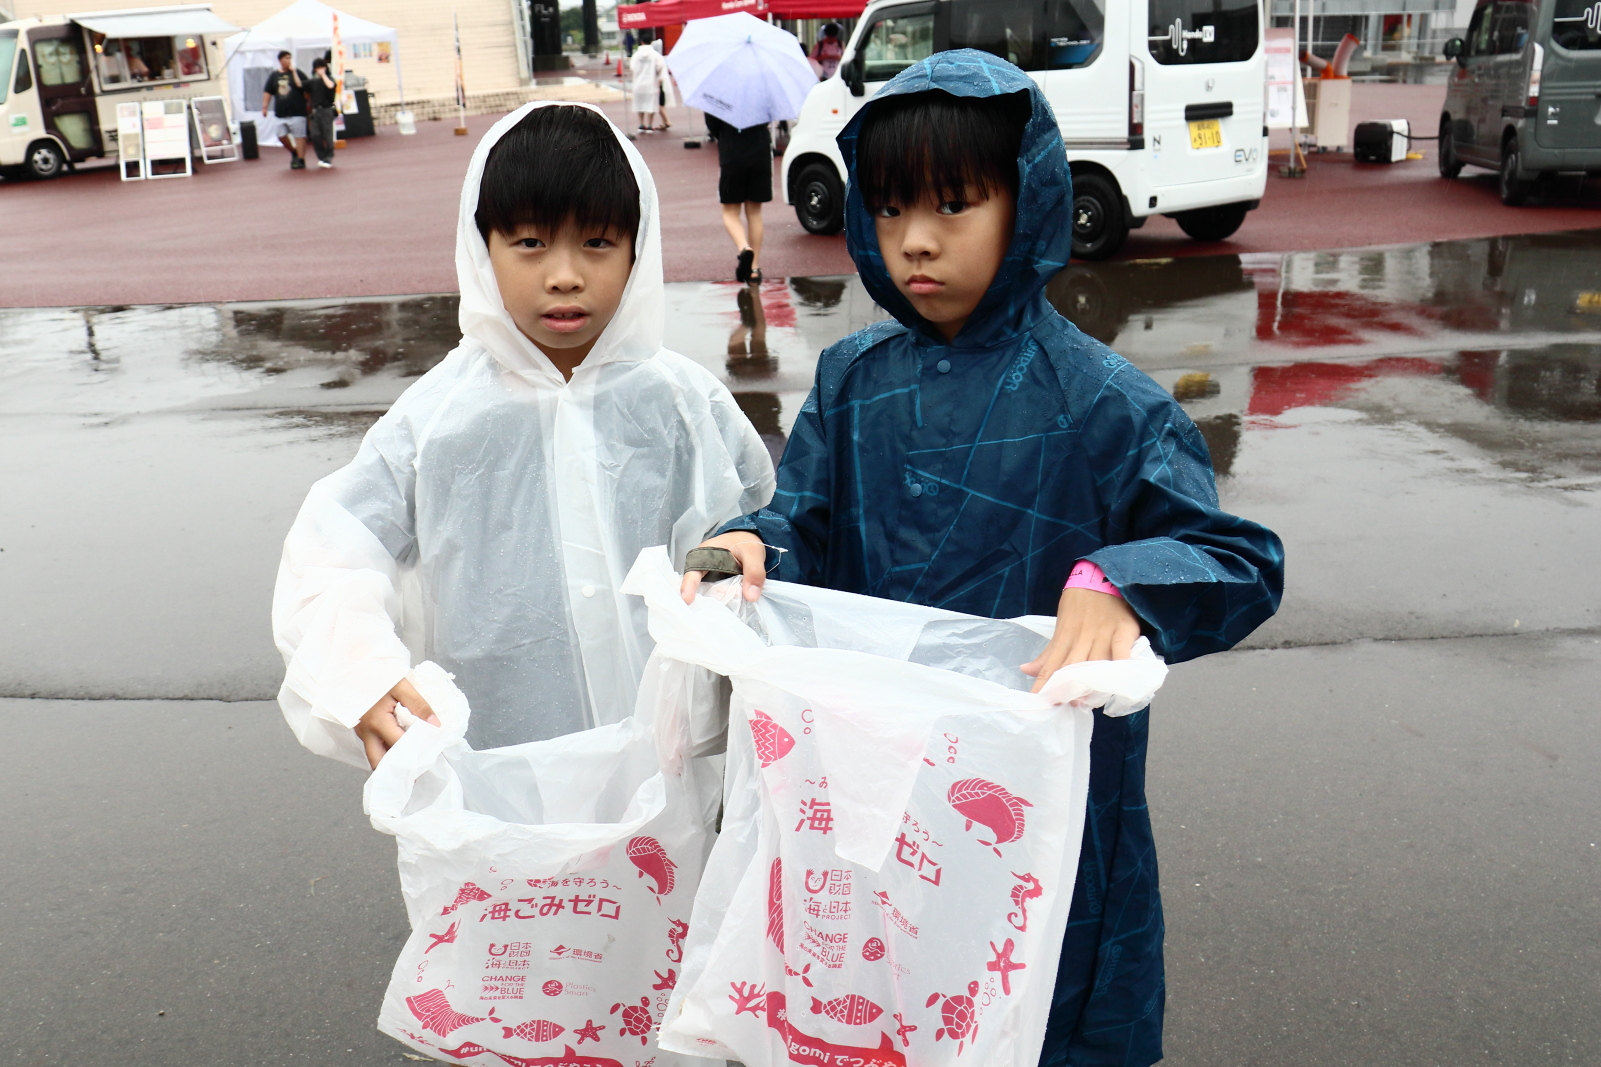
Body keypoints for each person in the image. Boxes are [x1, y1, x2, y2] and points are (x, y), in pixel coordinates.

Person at [678, 52, 1284, 1067]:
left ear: (1028, 200)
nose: (915, 240)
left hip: (1040, 809)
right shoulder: (851, 380)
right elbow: (805, 518)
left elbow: (1234, 557)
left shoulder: (1099, 400)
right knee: (874, 1011)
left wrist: (1123, 581)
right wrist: (752, 540)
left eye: (954, 205)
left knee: (1036, 1007)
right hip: (872, 793)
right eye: (888, 208)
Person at [272, 102, 774, 769]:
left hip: (670, 761)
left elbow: (752, 529)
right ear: (484, 249)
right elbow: (331, 561)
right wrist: (361, 676)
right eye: (530, 242)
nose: (563, 274)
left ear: (636, 247)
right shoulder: (437, 420)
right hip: (498, 765)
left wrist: (733, 562)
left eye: (596, 242)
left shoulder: (681, 404)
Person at [703, 113, 770, 284]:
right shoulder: (762, 88)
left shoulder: (720, 91)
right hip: (760, 149)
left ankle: (744, 248)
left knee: (730, 211)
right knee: (755, 212)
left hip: (732, 149)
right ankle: (754, 269)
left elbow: (712, 124)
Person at [260, 50, 309, 170]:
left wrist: (309, 104)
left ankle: (301, 159)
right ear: (280, 60)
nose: (289, 61)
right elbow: (268, 91)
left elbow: (305, 87)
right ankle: (293, 151)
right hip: (281, 113)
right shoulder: (274, 76)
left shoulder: (297, 73)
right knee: (280, 134)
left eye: (290, 58)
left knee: (299, 136)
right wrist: (265, 106)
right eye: (286, 58)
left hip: (297, 111)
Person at [306, 56, 338, 170]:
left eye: (322, 67)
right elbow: (301, 85)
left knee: (328, 135)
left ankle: (328, 157)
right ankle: (322, 156)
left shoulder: (330, 79)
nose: (319, 69)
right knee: (315, 135)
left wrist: (323, 75)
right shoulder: (312, 81)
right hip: (315, 111)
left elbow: (331, 86)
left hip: (327, 109)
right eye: (317, 67)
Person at [630, 37, 663, 134]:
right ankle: (650, 125)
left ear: (641, 42)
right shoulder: (655, 55)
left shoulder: (636, 55)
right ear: (651, 42)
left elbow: (632, 67)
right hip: (651, 83)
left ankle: (641, 124)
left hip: (638, 84)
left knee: (639, 104)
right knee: (651, 104)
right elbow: (660, 66)